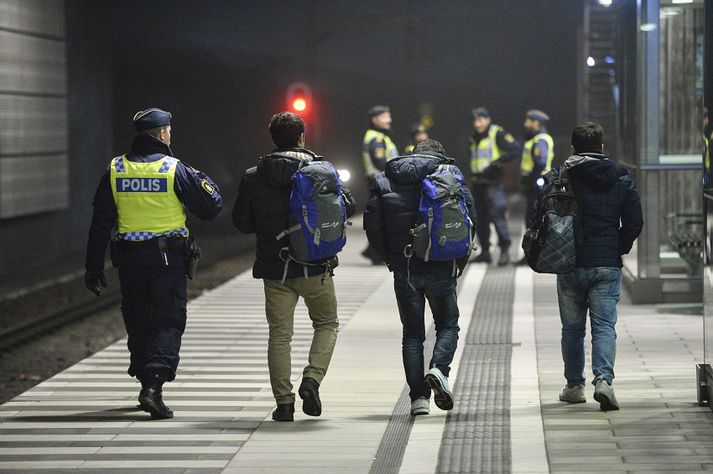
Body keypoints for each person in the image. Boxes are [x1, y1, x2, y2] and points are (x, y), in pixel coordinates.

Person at [84, 108, 223, 419]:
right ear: (162, 134)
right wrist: (203, 179)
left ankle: (144, 377)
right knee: (167, 319)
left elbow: (100, 222)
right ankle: (153, 387)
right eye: (169, 131)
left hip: (130, 261)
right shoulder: (173, 169)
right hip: (167, 260)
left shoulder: (115, 169)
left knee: (137, 318)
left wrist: (93, 266)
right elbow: (210, 208)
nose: (170, 136)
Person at [234, 112, 355, 422]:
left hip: (276, 270)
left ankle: (284, 404)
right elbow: (348, 207)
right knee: (327, 324)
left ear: (273, 139)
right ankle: (312, 380)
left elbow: (241, 222)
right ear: (303, 137)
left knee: (280, 336)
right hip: (316, 266)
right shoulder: (321, 171)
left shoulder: (253, 175)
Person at [364, 139, 476, 416]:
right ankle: (439, 369)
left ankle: (418, 399)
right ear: (439, 155)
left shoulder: (386, 178)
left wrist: (389, 259)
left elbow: (372, 224)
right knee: (448, 324)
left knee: (412, 334)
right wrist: (459, 261)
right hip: (441, 264)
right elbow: (468, 220)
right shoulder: (451, 176)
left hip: (405, 268)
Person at [555, 122, 642, 411]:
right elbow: (634, 222)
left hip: (569, 261)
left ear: (573, 148)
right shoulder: (621, 176)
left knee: (572, 329)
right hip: (606, 261)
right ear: (602, 147)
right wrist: (619, 246)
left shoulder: (563, 175)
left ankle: (574, 386)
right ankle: (604, 380)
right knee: (604, 326)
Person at [468, 107, 521, 266]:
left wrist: (499, 161)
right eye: (475, 120)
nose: (477, 124)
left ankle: (504, 251)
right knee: (480, 219)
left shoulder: (496, 133)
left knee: (498, 215)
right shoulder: (474, 137)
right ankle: (485, 252)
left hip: (493, 182)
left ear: (488, 120)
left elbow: (515, 149)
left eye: (480, 120)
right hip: (478, 182)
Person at [361, 105, 398, 264]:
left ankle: (373, 251)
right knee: (382, 218)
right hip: (380, 180)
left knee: (379, 218)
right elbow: (380, 161)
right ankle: (375, 252)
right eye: (385, 117)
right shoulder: (376, 138)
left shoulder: (378, 136)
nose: (389, 120)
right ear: (375, 119)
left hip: (379, 180)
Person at [518, 109, 554, 265]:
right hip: (535, 185)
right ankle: (532, 254)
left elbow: (540, 162)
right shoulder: (534, 139)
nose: (525, 124)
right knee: (534, 219)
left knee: (534, 221)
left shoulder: (540, 140)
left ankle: (533, 255)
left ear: (536, 123)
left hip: (537, 185)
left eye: (528, 121)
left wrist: (532, 178)